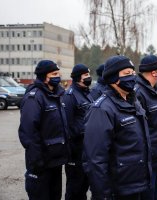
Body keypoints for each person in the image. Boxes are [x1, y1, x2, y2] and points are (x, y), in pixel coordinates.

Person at [83, 55, 152, 200]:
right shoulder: (101, 109)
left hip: (136, 183)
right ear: (114, 78)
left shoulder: (134, 102)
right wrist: (102, 194)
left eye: (133, 73)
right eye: (126, 74)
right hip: (118, 189)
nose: (132, 77)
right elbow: (96, 159)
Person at [18, 60, 69, 200]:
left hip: (56, 162)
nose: (57, 76)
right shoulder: (34, 97)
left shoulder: (57, 96)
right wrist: (37, 161)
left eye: (58, 73)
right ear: (43, 76)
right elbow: (28, 133)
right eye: (54, 74)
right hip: (41, 165)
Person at [135, 55, 157, 200]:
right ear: (154, 72)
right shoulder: (138, 93)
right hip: (150, 157)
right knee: (149, 194)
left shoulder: (154, 90)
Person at [64, 64, 94, 200]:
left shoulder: (87, 93)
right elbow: (67, 125)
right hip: (76, 150)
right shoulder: (70, 96)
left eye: (89, 74)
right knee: (75, 189)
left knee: (84, 186)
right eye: (86, 75)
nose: (89, 77)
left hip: (87, 148)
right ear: (78, 78)